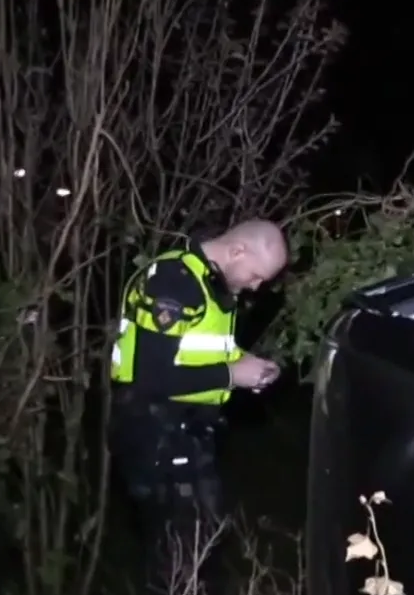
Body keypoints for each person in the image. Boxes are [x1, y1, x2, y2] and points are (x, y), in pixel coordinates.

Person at [108, 220, 288, 536]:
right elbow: (150, 377)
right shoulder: (174, 282)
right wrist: (232, 374)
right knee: (180, 547)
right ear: (237, 251)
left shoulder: (211, 283)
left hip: (186, 429)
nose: (257, 286)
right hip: (155, 431)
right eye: (256, 275)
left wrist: (247, 365)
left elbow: (197, 352)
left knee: (202, 540)